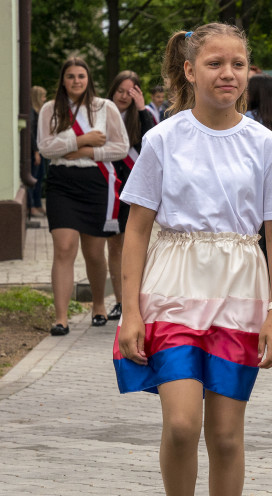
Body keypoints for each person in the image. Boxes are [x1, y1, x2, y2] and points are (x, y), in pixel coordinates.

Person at [114, 23, 272, 496]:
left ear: (250, 73)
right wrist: (130, 311)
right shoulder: (164, 140)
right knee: (180, 425)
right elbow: (137, 229)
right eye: (215, 63)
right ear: (190, 71)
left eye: (238, 64)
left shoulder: (267, 146)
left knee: (225, 435)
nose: (227, 73)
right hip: (172, 287)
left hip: (240, 293)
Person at [38, 57, 129, 335]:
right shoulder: (50, 109)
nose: (76, 81)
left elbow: (121, 147)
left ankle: (99, 304)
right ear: (63, 80)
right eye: (70, 76)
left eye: (81, 76)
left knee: (94, 252)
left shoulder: (105, 107)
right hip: (62, 182)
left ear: (88, 79)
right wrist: (82, 139)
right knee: (64, 247)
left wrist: (88, 152)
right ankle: (61, 318)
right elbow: (45, 148)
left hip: (96, 182)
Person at [105, 70, 155, 322]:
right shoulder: (100, 114)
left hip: (132, 190)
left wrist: (142, 108)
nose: (124, 96)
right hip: (106, 185)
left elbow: (151, 143)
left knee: (132, 243)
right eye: (120, 91)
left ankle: (135, 298)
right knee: (114, 244)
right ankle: (119, 300)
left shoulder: (144, 116)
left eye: (130, 91)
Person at [29, 85, 48, 218]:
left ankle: (38, 204)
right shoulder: (31, 112)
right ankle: (31, 207)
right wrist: (35, 151)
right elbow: (31, 134)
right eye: (43, 96)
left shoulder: (39, 112)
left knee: (40, 177)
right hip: (34, 151)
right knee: (34, 178)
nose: (45, 99)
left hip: (40, 150)